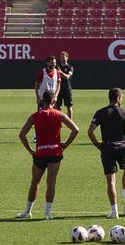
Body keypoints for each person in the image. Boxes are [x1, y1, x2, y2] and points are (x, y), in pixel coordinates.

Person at [17, 91, 79, 219]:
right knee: (51, 182)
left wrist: (30, 150)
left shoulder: (35, 116)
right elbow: (75, 129)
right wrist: (65, 144)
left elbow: (22, 135)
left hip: (40, 153)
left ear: (42, 101)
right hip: (55, 153)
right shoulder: (59, 115)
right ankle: (47, 213)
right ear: (54, 101)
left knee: (35, 182)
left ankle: (27, 211)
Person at [87, 87, 125, 219]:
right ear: (118, 98)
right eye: (121, 97)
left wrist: (98, 145)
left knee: (111, 180)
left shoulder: (100, 113)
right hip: (122, 148)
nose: (122, 99)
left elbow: (90, 131)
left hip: (107, 149)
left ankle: (114, 211)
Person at [55, 50, 75, 120]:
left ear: (67, 57)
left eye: (64, 57)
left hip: (67, 89)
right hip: (58, 88)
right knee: (58, 107)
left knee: (69, 106)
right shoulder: (57, 67)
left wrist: (60, 72)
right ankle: (58, 121)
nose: (62, 58)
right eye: (61, 57)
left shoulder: (70, 67)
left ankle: (70, 122)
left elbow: (67, 77)